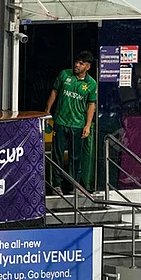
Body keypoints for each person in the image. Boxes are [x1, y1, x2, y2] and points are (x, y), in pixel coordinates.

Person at [45, 51, 97, 194]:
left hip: (78, 125)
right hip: (61, 122)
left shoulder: (91, 84)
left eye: (81, 63)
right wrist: (47, 111)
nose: (76, 65)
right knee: (58, 155)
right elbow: (54, 92)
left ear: (88, 67)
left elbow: (91, 104)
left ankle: (74, 186)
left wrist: (87, 125)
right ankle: (57, 185)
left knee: (75, 157)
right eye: (77, 62)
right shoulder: (65, 75)